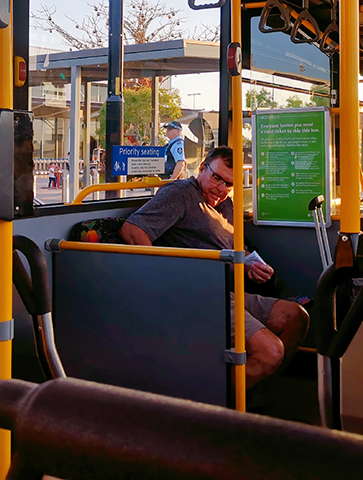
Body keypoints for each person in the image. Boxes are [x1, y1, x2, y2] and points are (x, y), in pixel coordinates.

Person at [120, 146, 309, 390]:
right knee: (271, 350)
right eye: (216, 177)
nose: (221, 188)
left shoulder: (225, 204)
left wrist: (250, 266)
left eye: (228, 184)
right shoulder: (180, 194)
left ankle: (255, 389)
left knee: (297, 317)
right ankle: (219, 407)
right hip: (195, 294)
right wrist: (159, 280)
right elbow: (133, 231)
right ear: (202, 169)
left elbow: (228, 243)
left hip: (224, 289)